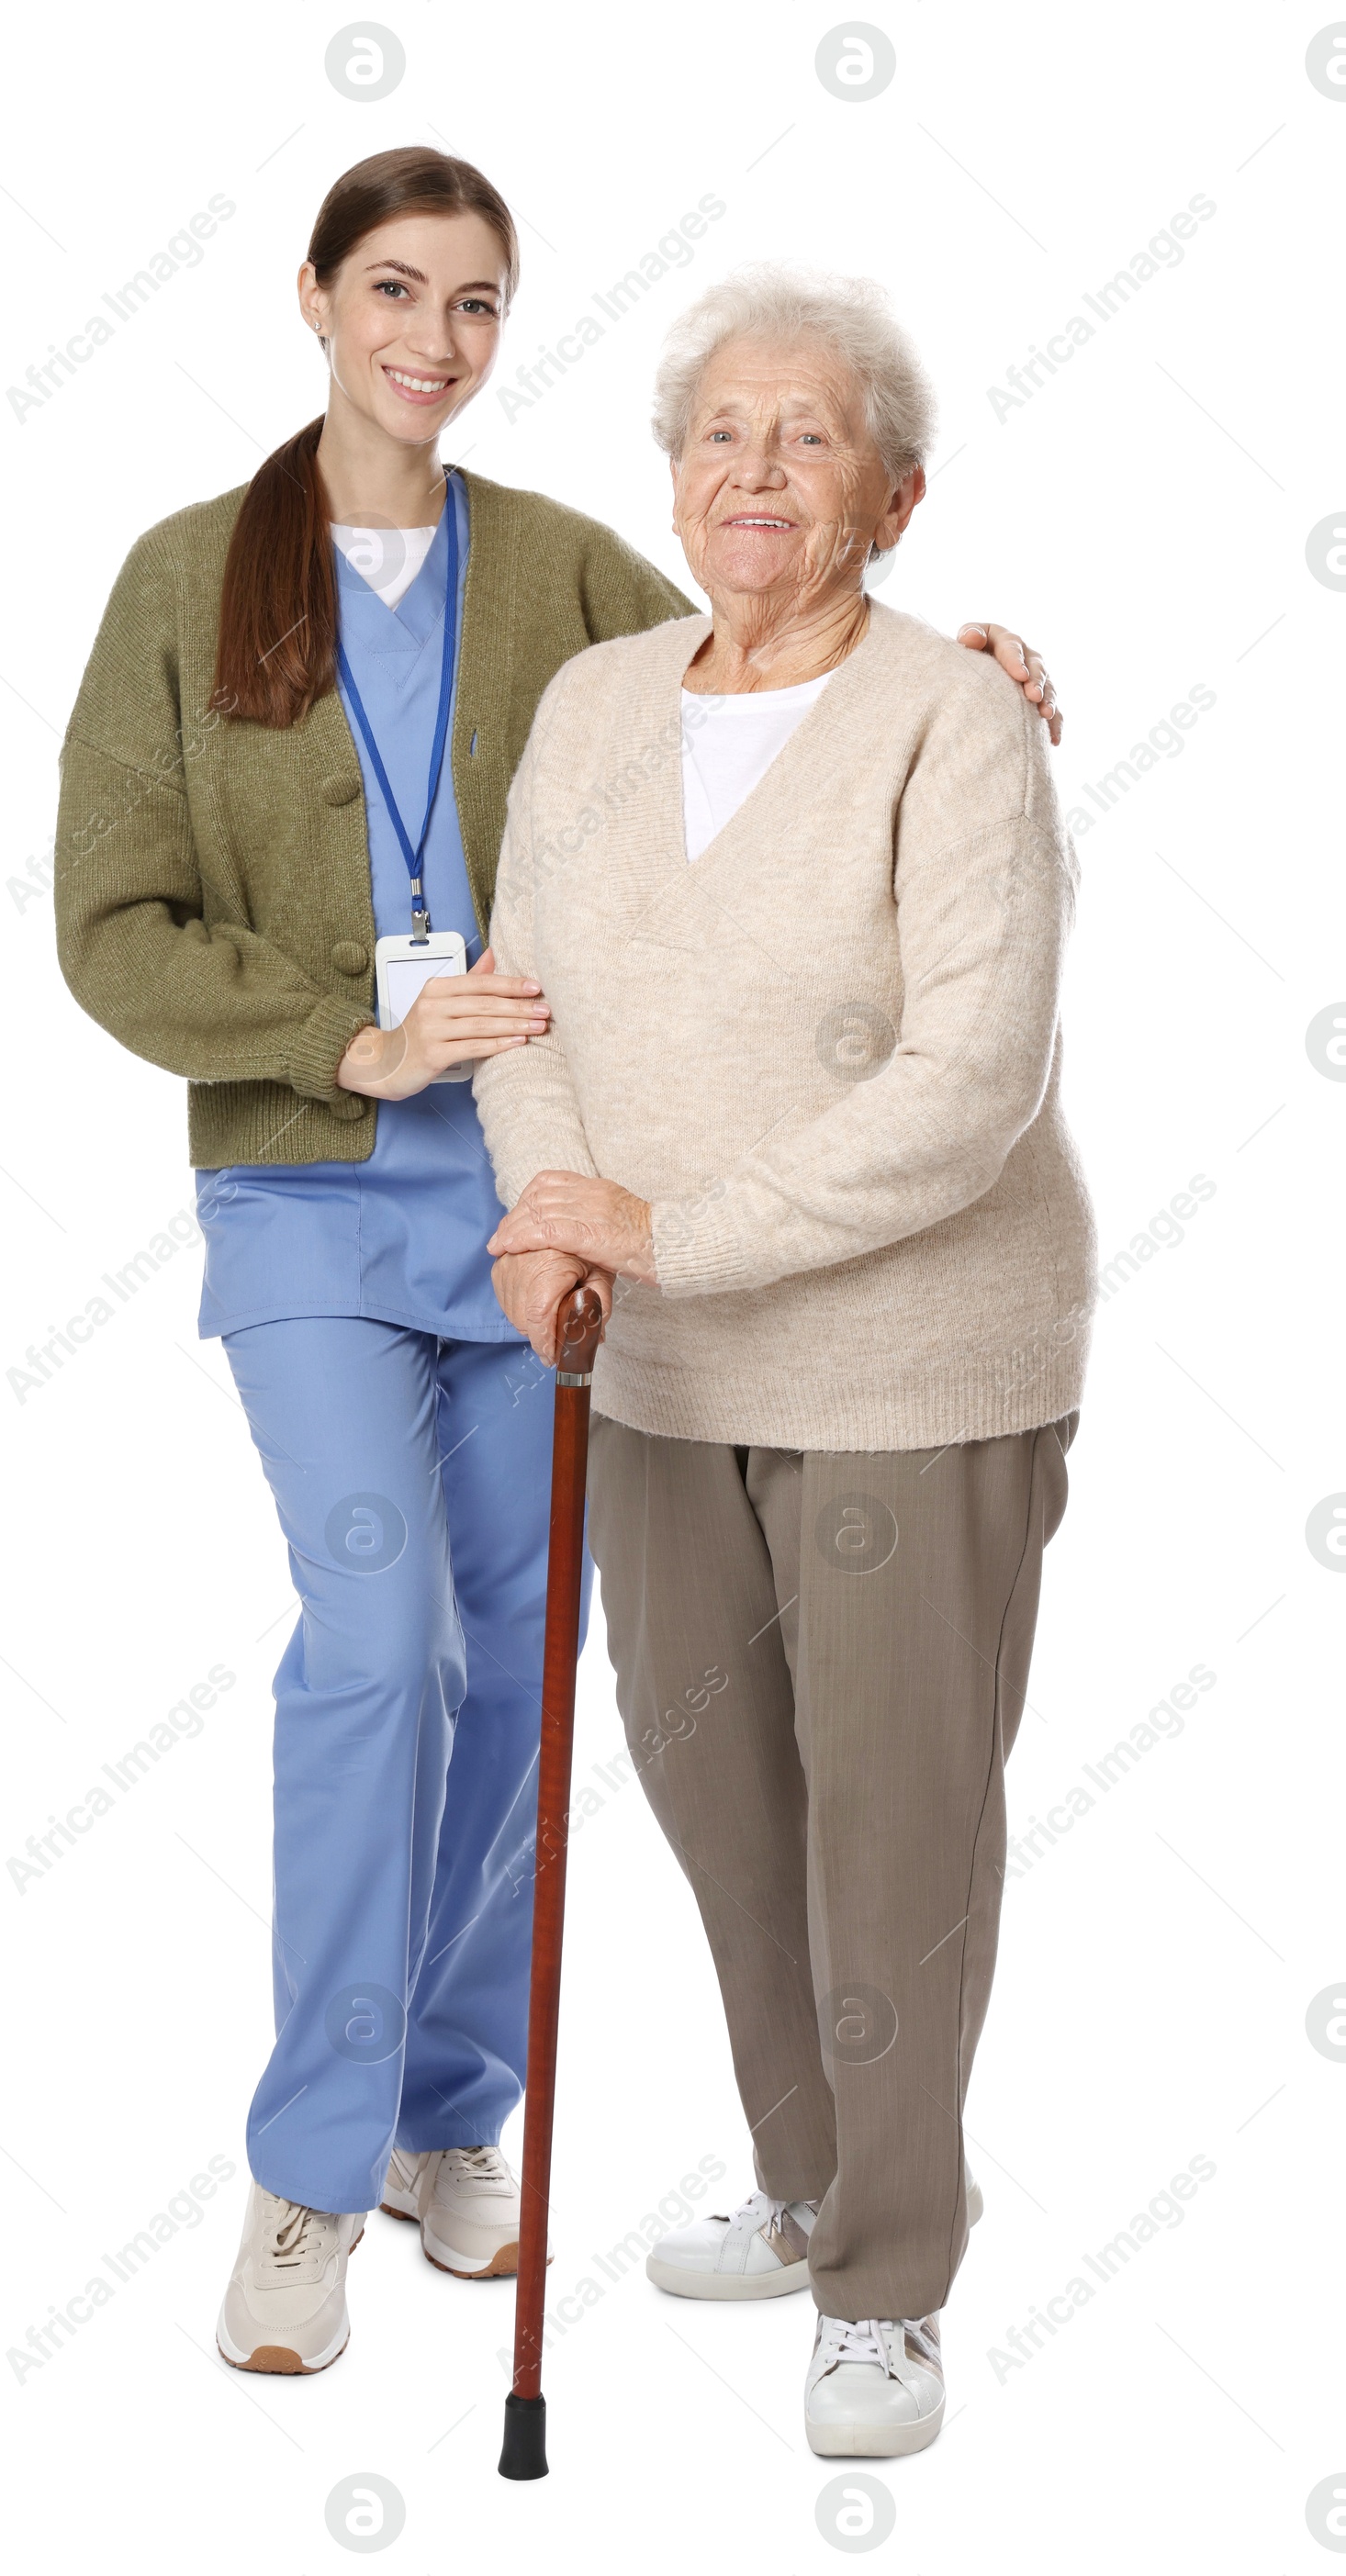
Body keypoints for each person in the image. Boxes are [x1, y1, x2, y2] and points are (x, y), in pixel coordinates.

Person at [53, 151, 1060, 2382]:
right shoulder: (175, 578)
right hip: (325, 1193)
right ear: (311, 297)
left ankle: (444, 2118)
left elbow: (772, 629)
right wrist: (346, 1033)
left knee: (522, 1679)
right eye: (392, 288)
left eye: (478, 300)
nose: (431, 335)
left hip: (553, 1221)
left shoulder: (550, 577)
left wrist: (972, 657)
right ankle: (311, 2168)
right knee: (375, 1638)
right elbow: (105, 928)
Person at [477, 263, 1096, 2458]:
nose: (751, 468)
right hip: (648, 1366)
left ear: (892, 498)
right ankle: (809, 2170)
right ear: (671, 476)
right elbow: (515, 995)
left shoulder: (951, 720)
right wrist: (561, 1219)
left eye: (805, 436)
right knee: (721, 1808)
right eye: (716, 432)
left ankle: (890, 2279)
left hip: (909, 1369)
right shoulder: (592, 702)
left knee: (891, 1831)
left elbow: (971, 1080)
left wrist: (675, 1232)